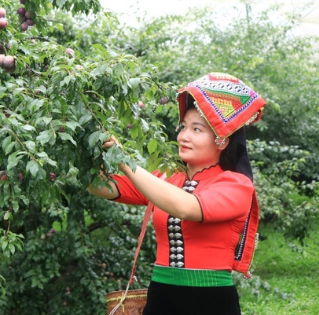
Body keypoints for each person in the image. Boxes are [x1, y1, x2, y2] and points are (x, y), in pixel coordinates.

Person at [88, 72, 266, 315]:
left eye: (196, 129)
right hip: (161, 297)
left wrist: (124, 160)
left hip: (210, 302)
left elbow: (186, 207)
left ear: (222, 140)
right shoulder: (168, 177)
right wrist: (85, 144)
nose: (183, 136)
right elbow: (100, 186)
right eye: (183, 127)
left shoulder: (237, 185)